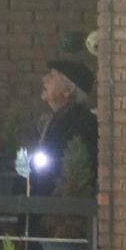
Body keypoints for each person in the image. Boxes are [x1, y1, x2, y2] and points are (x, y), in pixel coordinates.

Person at [24, 58, 97, 196]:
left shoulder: (85, 124)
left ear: (68, 91)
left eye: (53, 76)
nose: (44, 79)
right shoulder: (46, 121)